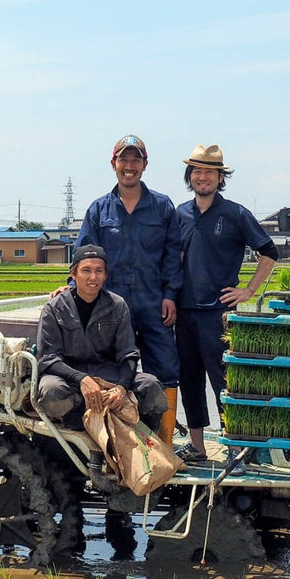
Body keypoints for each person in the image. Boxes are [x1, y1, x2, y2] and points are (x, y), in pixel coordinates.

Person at [174, 143, 279, 462]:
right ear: (189, 176)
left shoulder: (235, 213)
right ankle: (197, 446)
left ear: (221, 178)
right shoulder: (179, 214)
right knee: (189, 380)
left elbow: (269, 252)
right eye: (197, 171)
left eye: (210, 172)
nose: (202, 177)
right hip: (183, 312)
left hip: (217, 314)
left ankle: (235, 446)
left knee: (224, 381)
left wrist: (248, 291)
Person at [74, 135, 182, 444]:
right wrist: (71, 289)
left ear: (145, 165)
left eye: (136, 160)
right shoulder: (99, 210)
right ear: (114, 164)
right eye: (124, 160)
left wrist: (170, 294)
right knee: (112, 372)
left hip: (153, 304)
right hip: (110, 308)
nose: (129, 166)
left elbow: (173, 255)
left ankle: (164, 445)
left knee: (165, 371)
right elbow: (85, 254)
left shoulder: (162, 207)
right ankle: (117, 445)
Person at [36, 244, 169, 434]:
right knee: (51, 391)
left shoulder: (117, 305)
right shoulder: (55, 307)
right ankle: (79, 429)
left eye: (99, 271)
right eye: (86, 270)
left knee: (151, 385)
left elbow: (129, 354)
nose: (93, 277)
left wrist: (122, 388)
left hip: (107, 373)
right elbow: (48, 358)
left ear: (106, 275)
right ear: (73, 274)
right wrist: (81, 379)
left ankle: (145, 440)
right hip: (68, 376)